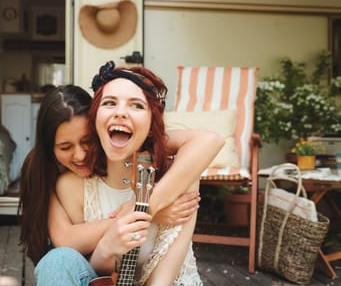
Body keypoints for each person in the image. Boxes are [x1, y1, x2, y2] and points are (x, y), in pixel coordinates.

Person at [37, 62, 219, 286]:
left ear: (152, 121)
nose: (121, 113)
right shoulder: (73, 185)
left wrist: (145, 207)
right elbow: (96, 270)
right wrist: (109, 243)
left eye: (137, 105)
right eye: (110, 103)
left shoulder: (178, 175)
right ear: (95, 118)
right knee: (57, 261)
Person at [18, 85, 222, 266]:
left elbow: (209, 140)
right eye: (65, 147)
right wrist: (146, 214)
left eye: (87, 141)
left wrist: (148, 204)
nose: (80, 155)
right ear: (49, 148)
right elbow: (66, 240)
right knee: (58, 261)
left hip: (117, 269)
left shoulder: (124, 145)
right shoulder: (44, 172)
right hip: (70, 272)